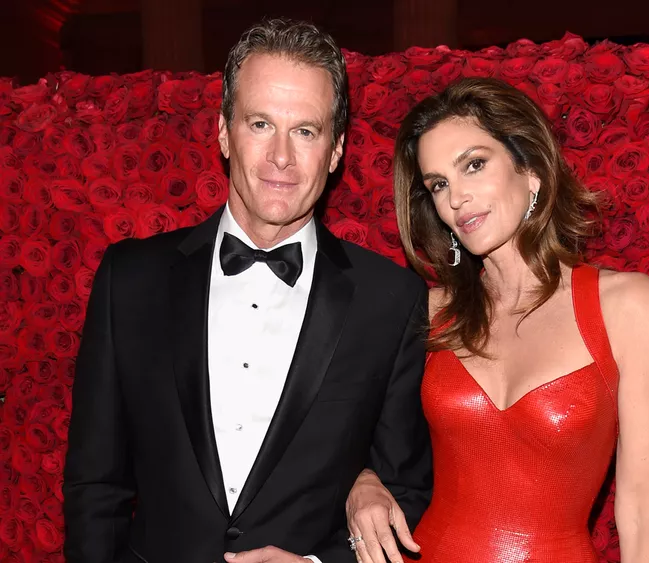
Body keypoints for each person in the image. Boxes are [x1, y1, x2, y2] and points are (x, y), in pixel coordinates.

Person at [63, 18, 432, 563]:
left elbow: (404, 489)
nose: (281, 156)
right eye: (261, 124)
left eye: (306, 130)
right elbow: (95, 485)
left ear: (336, 150)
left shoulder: (391, 300)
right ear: (223, 132)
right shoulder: (130, 279)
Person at [344, 77, 649, 563]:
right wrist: (362, 481)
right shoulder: (429, 312)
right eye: (439, 184)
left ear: (531, 170)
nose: (456, 198)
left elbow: (644, 508)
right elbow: (344, 436)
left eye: (474, 165)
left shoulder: (626, 306)